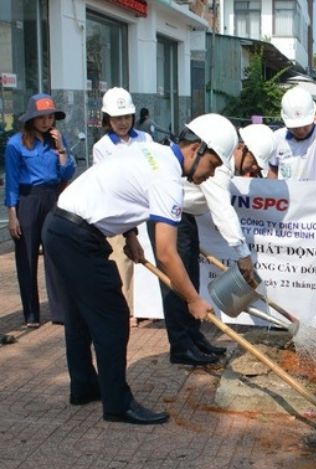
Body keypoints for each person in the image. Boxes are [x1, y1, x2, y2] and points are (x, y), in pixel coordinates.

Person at [41, 113, 238, 425]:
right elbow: (167, 253)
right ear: (196, 149)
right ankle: (117, 403)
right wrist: (193, 300)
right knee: (113, 318)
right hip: (78, 237)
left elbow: (120, 186)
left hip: (59, 226)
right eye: (212, 165)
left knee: (79, 316)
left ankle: (84, 387)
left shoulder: (153, 151)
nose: (211, 174)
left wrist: (130, 234)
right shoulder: (169, 179)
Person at [148, 123, 276, 366]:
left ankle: (194, 338)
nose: (252, 170)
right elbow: (222, 211)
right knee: (177, 285)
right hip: (170, 218)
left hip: (185, 217)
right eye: (253, 163)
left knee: (191, 282)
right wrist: (243, 256)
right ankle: (181, 347)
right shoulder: (219, 163)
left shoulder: (220, 159)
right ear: (241, 148)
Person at [4, 93, 75, 328]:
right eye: (41, 117)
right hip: (27, 200)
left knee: (56, 253)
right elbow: (12, 181)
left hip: (53, 197)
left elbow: (66, 174)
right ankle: (31, 313)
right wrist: (12, 213)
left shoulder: (55, 140)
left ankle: (60, 310)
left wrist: (62, 149)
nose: (47, 122)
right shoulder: (15, 144)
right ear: (31, 118)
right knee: (27, 257)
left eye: (51, 117)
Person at [92, 87, 153, 329]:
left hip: (145, 206)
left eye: (126, 117)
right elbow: (105, 182)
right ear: (108, 119)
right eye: (117, 118)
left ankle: (148, 305)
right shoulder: (102, 147)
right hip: (118, 210)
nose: (123, 122)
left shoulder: (145, 140)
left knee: (147, 255)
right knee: (123, 259)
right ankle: (128, 308)